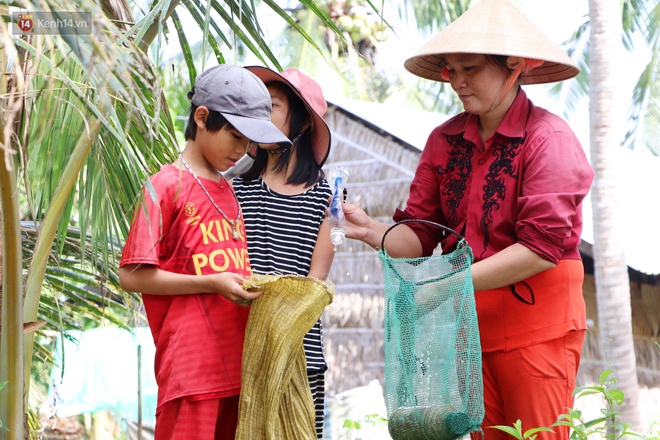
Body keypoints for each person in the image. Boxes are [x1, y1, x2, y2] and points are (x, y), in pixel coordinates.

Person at [337, 1, 595, 439]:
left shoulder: (549, 138)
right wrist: (370, 231)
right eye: (450, 70)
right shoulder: (443, 139)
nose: (457, 82)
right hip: (470, 331)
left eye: (470, 69)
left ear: (515, 66)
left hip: (537, 328)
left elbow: (540, 249)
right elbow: (418, 238)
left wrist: (446, 285)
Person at [118, 64, 292, 440]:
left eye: (250, 141)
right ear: (201, 117)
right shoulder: (165, 186)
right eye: (235, 135)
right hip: (192, 372)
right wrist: (211, 283)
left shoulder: (228, 191)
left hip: (237, 367)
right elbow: (130, 275)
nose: (243, 150)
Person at [232, 66, 334, 439]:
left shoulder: (327, 197)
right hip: (240, 351)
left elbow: (314, 288)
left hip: (300, 354)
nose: (260, 114)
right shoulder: (235, 188)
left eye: (271, 105)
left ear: (303, 121)